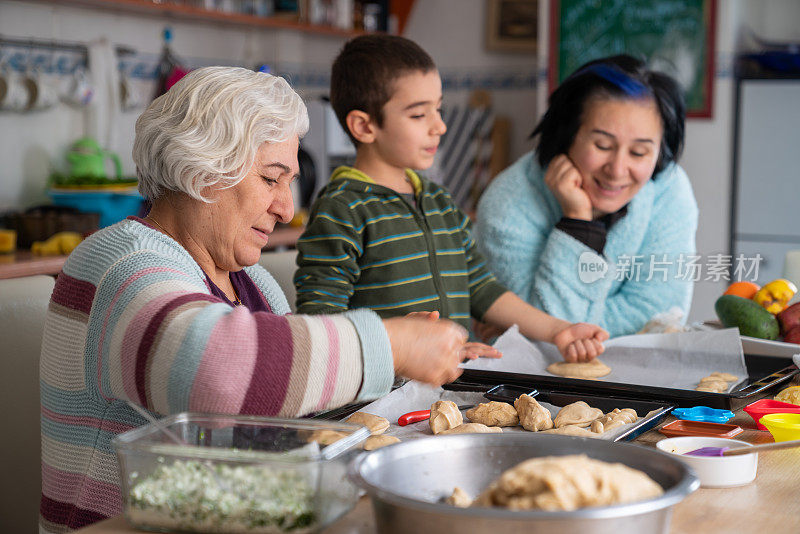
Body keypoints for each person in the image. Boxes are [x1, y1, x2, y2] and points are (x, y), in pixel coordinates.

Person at [38, 66, 470, 533]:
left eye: (289, 184)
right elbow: (215, 372)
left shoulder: (253, 281)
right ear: (202, 170)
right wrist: (390, 344)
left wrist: (397, 369)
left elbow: (286, 409)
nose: (286, 208)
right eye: (271, 179)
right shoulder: (122, 263)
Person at [294, 35, 608, 362]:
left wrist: (558, 330)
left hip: (453, 386)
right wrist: (398, 347)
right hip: (380, 400)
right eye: (419, 115)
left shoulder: (438, 200)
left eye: (438, 109)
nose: (440, 126)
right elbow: (321, 326)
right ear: (364, 126)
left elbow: (481, 288)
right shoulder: (342, 209)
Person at [476, 55, 698, 338]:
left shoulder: (670, 191)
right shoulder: (508, 204)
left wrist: (553, 328)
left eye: (639, 152)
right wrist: (578, 224)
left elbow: (659, 317)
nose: (617, 170)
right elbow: (539, 338)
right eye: (602, 145)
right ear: (567, 135)